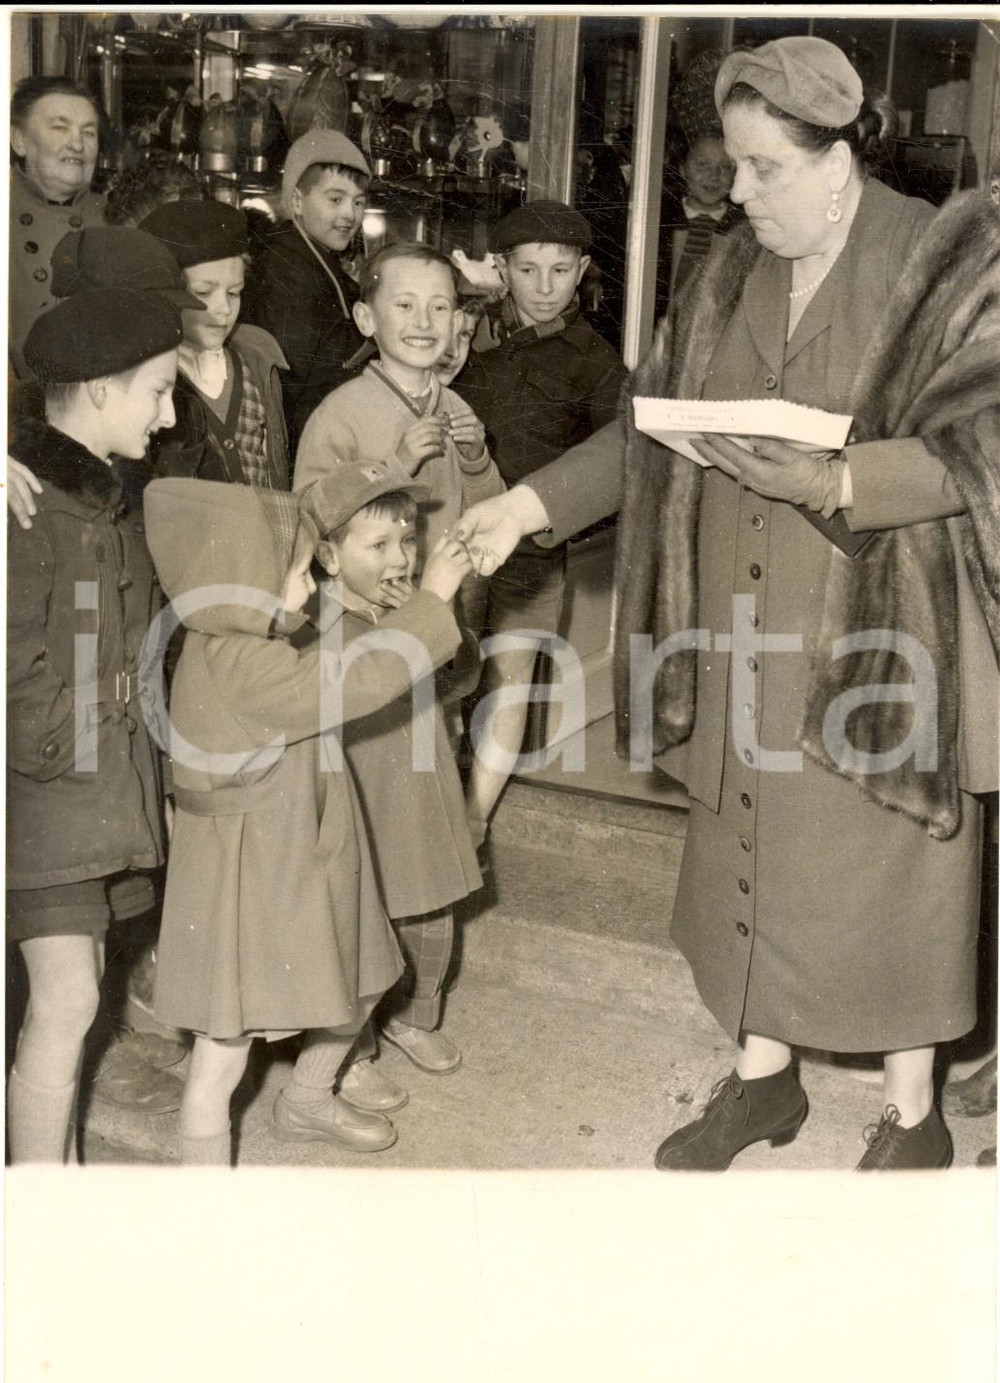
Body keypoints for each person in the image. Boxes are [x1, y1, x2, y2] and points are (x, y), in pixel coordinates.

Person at [456, 37, 1000, 1171]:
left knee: (888, 875)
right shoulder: (728, 270)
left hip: (882, 633)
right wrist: (525, 506)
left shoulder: (948, 256)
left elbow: (985, 441)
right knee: (741, 850)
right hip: (736, 629)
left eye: (763, 169)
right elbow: (649, 422)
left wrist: (846, 479)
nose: (736, 192)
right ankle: (762, 1086)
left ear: (837, 158)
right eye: (733, 167)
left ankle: (914, 1117)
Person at [141, 477, 473, 1164]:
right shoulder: (240, 664)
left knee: (367, 970)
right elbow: (358, 680)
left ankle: (308, 1098)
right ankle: (203, 1196)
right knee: (221, 1055)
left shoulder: (242, 640)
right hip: (255, 881)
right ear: (242, 582)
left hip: (296, 855)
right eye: (296, 572)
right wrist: (433, 598)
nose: (309, 582)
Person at [6, 288, 181, 1162]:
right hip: (46, 797)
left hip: (99, 786)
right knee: (68, 998)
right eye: (157, 390)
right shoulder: (27, 506)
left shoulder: (111, 503)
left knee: (83, 991)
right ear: (103, 391)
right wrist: (86, 734)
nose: (169, 410)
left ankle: (57, 1165)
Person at [299, 463, 482, 1109]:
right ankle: (352, 1052)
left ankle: (415, 1015)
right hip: (364, 797)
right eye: (378, 546)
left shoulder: (410, 606)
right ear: (326, 555)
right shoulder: (315, 623)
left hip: (421, 786)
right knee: (360, 932)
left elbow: (460, 677)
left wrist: (438, 614)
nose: (400, 557)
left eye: (407, 542)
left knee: (432, 913)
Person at [453, 201, 627, 852]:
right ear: (503, 270)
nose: (546, 287)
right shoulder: (467, 334)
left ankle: (472, 817)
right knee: (445, 669)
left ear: (583, 269)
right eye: (528, 270)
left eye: (561, 270)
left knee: (511, 677)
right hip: (456, 536)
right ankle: (434, 800)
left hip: (534, 550)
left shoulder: (600, 362)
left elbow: (616, 463)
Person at [294, 241, 504, 566]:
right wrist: (394, 468)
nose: (424, 322)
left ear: (455, 323)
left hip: (442, 604)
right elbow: (307, 517)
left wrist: (476, 461)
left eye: (439, 308)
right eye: (405, 305)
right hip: (365, 609)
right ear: (366, 319)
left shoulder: (458, 408)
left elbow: (490, 517)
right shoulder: (338, 413)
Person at [139, 200, 290, 489]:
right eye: (203, 292)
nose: (223, 309)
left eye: (234, 293)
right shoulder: (148, 377)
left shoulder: (256, 364)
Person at [242, 129, 373, 449]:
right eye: (335, 199)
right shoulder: (288, 269)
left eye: (358, 202)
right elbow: (293, 381)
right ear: (297, 201)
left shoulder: (313, 257)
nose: (350, 214)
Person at [9, 76, 105, 381]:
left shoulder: (118, 216)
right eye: (59, 127)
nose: (77, 144)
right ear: (19, 140)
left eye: (88, 133)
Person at [656, 132, 742, 318]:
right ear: (682, 169)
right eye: (703, 165)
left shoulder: (742, 230)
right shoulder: (659, 221)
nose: (714, 176)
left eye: (725, 167)